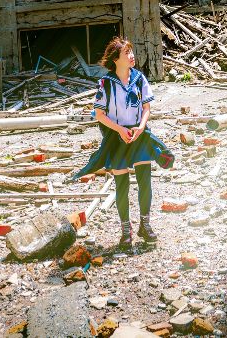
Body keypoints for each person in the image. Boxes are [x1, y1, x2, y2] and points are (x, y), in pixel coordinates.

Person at [70, 37, 173, 250]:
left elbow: (146, 109)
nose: (132, 56)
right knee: (122, 185)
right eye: (127, 53)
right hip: (117, 139)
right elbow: (99, 114)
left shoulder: (139, 79)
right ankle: (126, 231)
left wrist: (141, 128)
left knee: (145, 182)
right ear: (116, 59)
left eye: (131, 52)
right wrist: (120, 130)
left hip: (139, 135)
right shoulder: (105, 83)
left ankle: (145, 224)